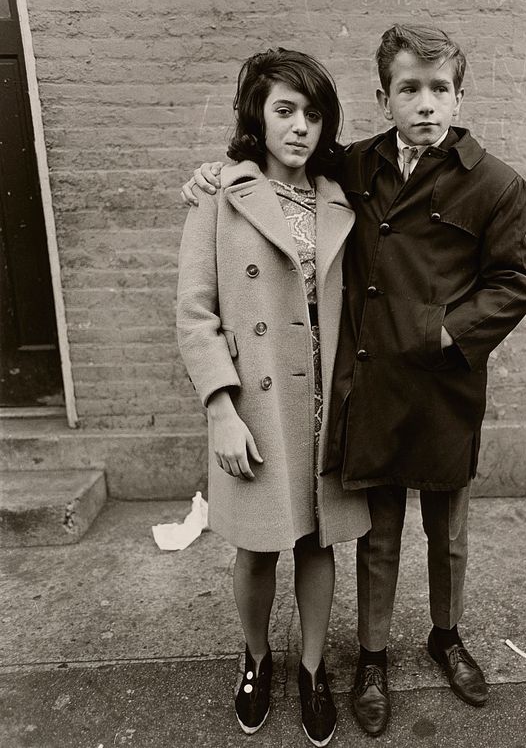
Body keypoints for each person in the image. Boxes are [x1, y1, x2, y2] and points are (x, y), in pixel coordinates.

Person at [182, 24, 526, 736]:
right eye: (410, 89)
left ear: (459, 95)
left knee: (447, 530)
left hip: (441, 383)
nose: (427, 104)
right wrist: (214, 172)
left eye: (441, 89)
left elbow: (516, 279)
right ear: (384, 97)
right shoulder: (356, 166)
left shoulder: (493, 182)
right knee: (372, 533)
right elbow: (263, 194)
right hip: (360, 386)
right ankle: (365, 658)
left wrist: (451, 331)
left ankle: (445, 637)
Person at [176, 47, 370, 747]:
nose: (300, 127)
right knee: (258, 548)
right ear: (257, 115)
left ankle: (312, 670)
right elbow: (194, 313)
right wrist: (220, 410)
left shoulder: (341, 195)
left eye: (314, 114)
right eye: (285, 110)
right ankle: (257, 659)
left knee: (320, 544)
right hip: (255, 405)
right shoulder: (220, 195)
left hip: (327, 400)